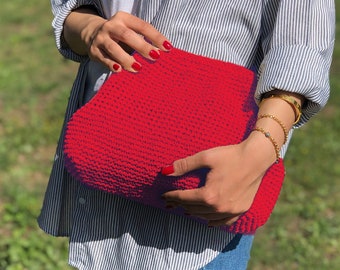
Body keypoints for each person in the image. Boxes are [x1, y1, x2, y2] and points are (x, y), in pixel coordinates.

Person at [38, 1, 335, 269]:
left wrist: (261, 148)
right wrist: (91, 29)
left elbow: (302, 46)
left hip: (207, 210)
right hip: (99, 179)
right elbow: (73, 10)